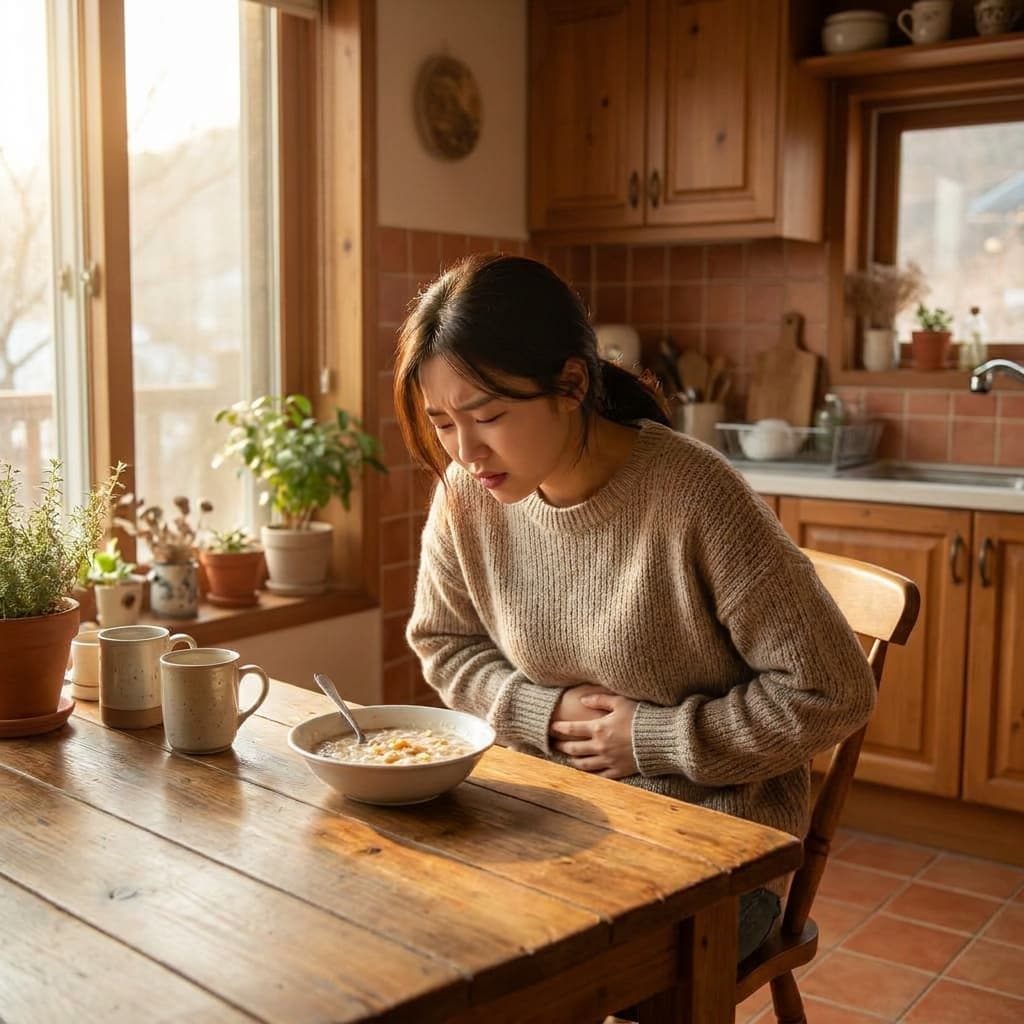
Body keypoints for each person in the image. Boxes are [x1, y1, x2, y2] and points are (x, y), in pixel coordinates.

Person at [394, 253, 876, 967]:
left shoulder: (694, 495)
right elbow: (443, 643)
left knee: (531, 970)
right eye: (441, 424)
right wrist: (537, 712)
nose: (466, 451)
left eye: (488, 415)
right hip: (549, 814)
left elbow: (834, 692)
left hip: (713, 846)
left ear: (572, 383)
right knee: (408, 929)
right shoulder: (467, 496)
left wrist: (654, 739)